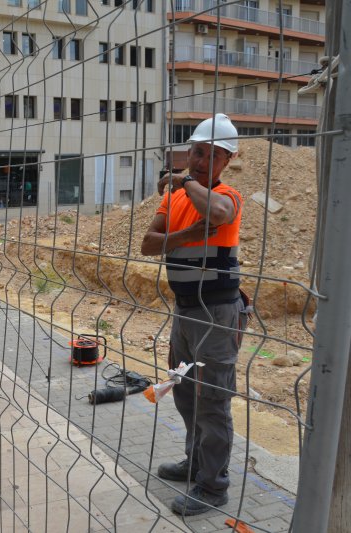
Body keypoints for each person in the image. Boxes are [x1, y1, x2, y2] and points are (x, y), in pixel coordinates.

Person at [141, 114, 247, 516]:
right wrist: (185, 235)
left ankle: (213, 486)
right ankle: (196, 462)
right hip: (185, 314)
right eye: (197, 153)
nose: (200, 161)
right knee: (186, 392)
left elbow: (218, 214)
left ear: (226, 161)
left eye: (211, 156)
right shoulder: (173, 199)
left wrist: (185, 182)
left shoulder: (228, 195)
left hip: (217, 313)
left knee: (213, 400)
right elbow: (150, 244)